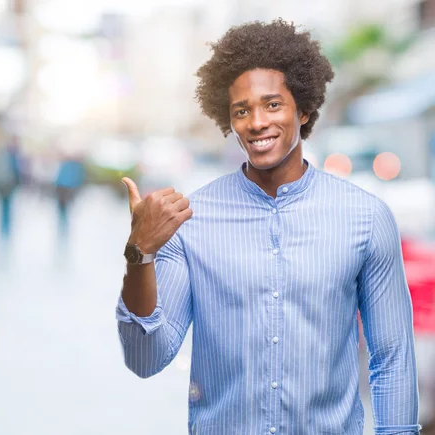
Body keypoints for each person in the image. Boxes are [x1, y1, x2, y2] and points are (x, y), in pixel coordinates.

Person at [116, 19, 420, 434]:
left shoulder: (365, 218)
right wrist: (140, 254)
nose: (256, 122)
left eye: (273, 104)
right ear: (229, 120)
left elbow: (393, 358)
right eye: (242, 110)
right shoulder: (190, 221)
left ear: (304, 109)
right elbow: (146, 358)